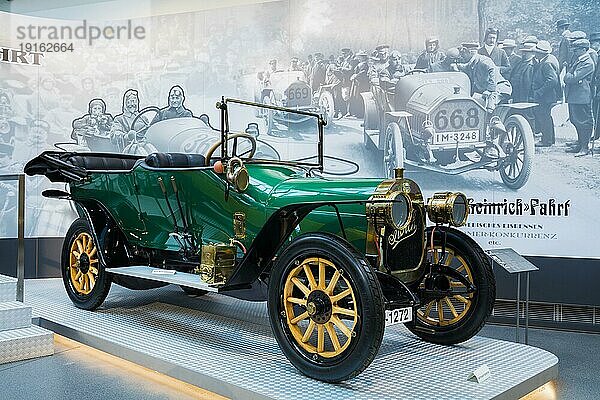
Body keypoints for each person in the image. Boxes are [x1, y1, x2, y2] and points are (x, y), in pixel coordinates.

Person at [458, 42, 511, 112]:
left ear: (470, 52)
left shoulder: (484, 60)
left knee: (489, 103)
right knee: (475, 102)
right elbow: (466, 67)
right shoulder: (472, 62)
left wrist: (490, 90)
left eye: (463, 53)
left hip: (500, 87)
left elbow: (493, 70)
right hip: (488, 89)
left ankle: (490, 119)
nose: (462, 56)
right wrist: (457, 66)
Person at [564, 39, 595, 156]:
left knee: (584, 122)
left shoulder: (588, 62)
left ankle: (585, 147)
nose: (574, 52)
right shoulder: (579, 60)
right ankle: (580, 143)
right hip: (575, 95)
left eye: (576, 50)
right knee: (575, 120)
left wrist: (569, 75)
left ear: (584, 49)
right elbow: (570, 77)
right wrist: (570, 75)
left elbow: (571, 78)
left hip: (582, 96)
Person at [531, 41, 560, 147]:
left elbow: (552, 80)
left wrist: (539, 92)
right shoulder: (551, 59)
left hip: (546, 96)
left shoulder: (546, 63)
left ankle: (546, 140)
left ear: (541, 53)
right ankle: (549, 139)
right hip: (549, 95)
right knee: (547, 117)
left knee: (543, 117)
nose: (535, 54)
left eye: (537, 52)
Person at [590, 33, 600, 140]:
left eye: (594, 43)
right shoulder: (597, 54)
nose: (592, 45)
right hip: (597, 89)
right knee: (597, 114)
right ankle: (597, 134)